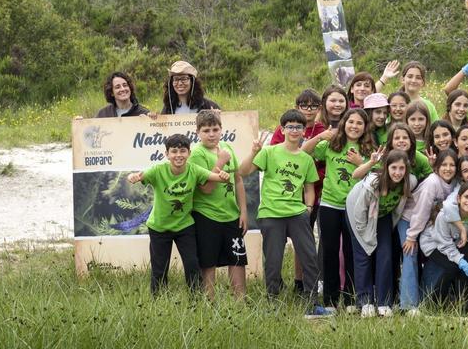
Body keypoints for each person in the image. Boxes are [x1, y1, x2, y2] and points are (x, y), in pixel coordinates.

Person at [237, 110, 332, 318]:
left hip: (297, 214)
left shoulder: (306, 159)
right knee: (273, 260)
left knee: (309, 257)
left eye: (298, 127)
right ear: (282, 129)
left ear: (303, 131)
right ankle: (272, 302)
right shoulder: (270, 152)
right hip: (271, 214)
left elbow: (309, 188)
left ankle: (312, 303)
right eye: (290, 126)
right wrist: (254, 151)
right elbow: (243, 172)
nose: (294, 130)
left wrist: (307, 209)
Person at [126, 133, 230, 295]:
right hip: (159, 228)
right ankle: (158, 301)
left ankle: (196, 300)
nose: (178, 155)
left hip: (185, 226)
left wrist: (222, 175)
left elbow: (216, 177)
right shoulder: (158, 170)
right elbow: (137, 175)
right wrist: (132, 177)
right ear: (167, 154)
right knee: (159, 268)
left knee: (192, 264)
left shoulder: (194, 170)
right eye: (174, 151)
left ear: (189, 153)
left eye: (182, 151)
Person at [301, 108, 378, 308]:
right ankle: (330, 301)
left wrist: (361, 162)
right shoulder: (332, 144)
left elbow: (377, 175)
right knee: (330, 252)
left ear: (365, 127)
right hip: (329, 205)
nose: (354, 126)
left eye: (359, 123)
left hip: (355, 207)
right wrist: (320, 135)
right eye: (350, 122)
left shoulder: (369, 148)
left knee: (352, 252)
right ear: (343, 123)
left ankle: (351, 299)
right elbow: (304, 152)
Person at [346, 150, 417, 317]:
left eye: (401, 168)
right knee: (363, 255)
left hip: (382, 216)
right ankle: (365, 302)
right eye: (394, 168)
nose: (398, 172)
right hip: (358, 216)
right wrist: (365, 237)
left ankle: (384, 302)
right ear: (386, 167)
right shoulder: (373, 183)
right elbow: (359, 212)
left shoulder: (409, 182)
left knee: (384, 255)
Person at [190, 110, 249, 300]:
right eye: (206, 130)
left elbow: (237, 179)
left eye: (215, 129)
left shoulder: (226, 147)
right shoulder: (197, 154)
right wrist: (221, 162)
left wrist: (243, 211)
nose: (211, 134)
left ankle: (240, 301)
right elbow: (206, 188)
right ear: (198, 132)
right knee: (208, 261)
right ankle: (210, 300)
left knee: (237, 257)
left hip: (231, 214)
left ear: (221, 130)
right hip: (207, 215)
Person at [403, 149, 462, 313]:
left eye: (452, 165)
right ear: (436, 167)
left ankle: (436, 300)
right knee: (411, 256)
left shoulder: (454, 183)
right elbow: (420, 211)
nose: (448, 168)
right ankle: (410, 304)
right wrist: (411, 236)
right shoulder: (432, 183)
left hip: (430, 225)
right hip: (410, 219)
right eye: (444, 165)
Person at [420, 182, 468, 307]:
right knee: (453, 266)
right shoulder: (444, 216)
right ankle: (433, 305)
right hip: (435, 244)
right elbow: (444, 244)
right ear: (458, 198)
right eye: (467, 197)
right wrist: (460, 261)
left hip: (458, 242)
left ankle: (465, 306)